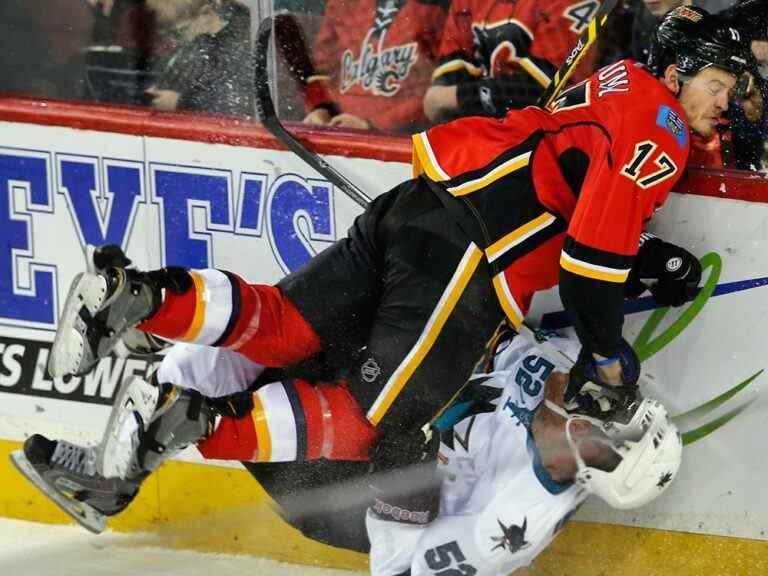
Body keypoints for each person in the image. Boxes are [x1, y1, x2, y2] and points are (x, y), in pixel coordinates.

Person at [46, 7, 742, 533]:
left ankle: (133, 293)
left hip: (421, 204)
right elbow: (590, 264)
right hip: (473, 256)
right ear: (680, 72)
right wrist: (608, 356)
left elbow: (570, 196)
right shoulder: (663, 126)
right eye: (719, 82)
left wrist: (642, 257)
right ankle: (182, 419)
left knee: (286, 327)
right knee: (367, 428)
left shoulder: (620, 82)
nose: (726, 101)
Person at [14, 328, 682, 576]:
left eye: (604, 419)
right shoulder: (575, 366)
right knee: (246, 335)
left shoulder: (516, 526)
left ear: (585, 456)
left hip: (347, 490)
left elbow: (396, 569)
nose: (598, 398)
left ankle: (111, 479)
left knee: (218, 379)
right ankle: (116, 476)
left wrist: (404, 479)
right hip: (382, 390)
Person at [423, 0, 603, 123]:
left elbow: (542, 90)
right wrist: (452, 97)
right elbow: (449, 75)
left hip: (555, 142)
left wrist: (454, 97)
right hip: (484, 139)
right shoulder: (468, 3)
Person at [302, 0, 449, 131]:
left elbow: (441, 92)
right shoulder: (342, 5)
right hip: (339, 138)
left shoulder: (438, 8)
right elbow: (323, 69)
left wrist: (374, 125)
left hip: (403, 143)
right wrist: (321, 109)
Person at [142, 0, 252, 116]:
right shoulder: (196, 43)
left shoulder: (234, 48)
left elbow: (233, 102)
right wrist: (161, 89)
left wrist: (181, 103)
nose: (173, 41)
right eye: (167, 35)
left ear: (206, 14)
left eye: (179, 32)